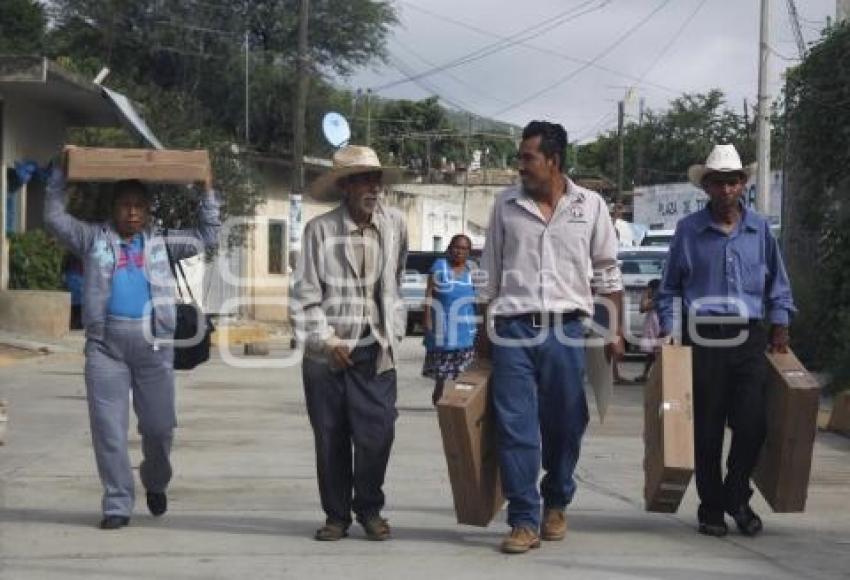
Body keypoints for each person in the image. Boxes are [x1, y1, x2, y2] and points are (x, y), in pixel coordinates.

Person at [43, 161, 220, 530]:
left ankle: (155, 482)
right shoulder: (93, 239)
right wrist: (59, 177)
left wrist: (206, 192)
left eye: (139, 205)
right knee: (109, 430)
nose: (132, 212)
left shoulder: (162, 243)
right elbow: (55, 218)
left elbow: (207, 236)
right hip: (106, 349)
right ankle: (117, 503)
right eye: (125, 204)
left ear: (148, 210)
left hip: (154, 348)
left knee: (159, 429)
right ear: (114, 208)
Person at [478, 121, 624, 554]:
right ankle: (524, 518)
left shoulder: (590, 206)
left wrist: (614, 331)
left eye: (527, 157)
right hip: (513, 330)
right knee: (515, 425)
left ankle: (557, 498)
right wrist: (481, 331)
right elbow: (488, 273)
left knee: (566, 422)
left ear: (553, 161)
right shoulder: (505, 205)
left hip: (566, 329)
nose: (519, 165)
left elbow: (607, 272)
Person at [656, 144, 795, 538]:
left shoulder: (760, 229)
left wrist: (780, 323)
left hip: (749, 337)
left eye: (733, 182)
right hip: (704, 339)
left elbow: (778, 285)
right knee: (708, 430)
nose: (726, 190)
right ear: (707, 188)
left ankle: (736, 493)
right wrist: (669, 329)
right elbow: (668, 290)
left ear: (743, 184)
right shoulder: (689, 231)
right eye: (718, 183)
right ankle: (711, 508)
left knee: (753, 425)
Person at [293, 145, 408, 542]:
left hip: (375, 348)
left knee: (378, 433)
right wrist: (326, 341)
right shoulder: (319, 231)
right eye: (362, 179)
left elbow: (396, 275)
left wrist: (392, 325)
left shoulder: (394, 225)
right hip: (327, 353)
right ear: (344, 186)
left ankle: (370, 506)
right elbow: (305, 295)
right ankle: (337, 515)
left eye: (375, 179)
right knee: (331, 437)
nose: (372, 187)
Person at [422, 233, 477, 406]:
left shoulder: (472, 270)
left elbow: (479, 299)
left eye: (464, 248)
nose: (459, 251)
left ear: (469, 252)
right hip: (442, 331)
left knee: (463, 375)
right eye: (456, 247)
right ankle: (439, 399)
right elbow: (429, 294)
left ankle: (458, 408)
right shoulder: (440, 266)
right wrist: (427, 319)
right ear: (449, 248)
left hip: (466, 332)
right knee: (442, 375)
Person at [636, 278, 661, 382]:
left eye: (649, 289)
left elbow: (643, 307)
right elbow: (642, 309)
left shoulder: (659, 300)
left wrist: (646, 295)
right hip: (651, 327)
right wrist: (646, 295)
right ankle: (646, 374)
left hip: (657, 327)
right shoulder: (654, 299)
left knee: (657, 354)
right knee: (650, 355)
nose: (647, 291)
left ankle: (657, 375)